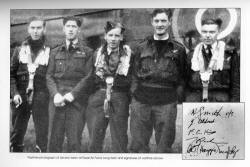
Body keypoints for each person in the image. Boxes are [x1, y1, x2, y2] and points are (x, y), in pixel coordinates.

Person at [129, 9, 187, 153]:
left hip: (167, 102)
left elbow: (183, 76)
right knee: (138, 145)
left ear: (169, 22)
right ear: (152, 22)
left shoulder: (178, 49)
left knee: (164, 147)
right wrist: (135, 93)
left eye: (163, 21)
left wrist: (175, 97)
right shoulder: (141, 47)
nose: (160, 24)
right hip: (141, 100)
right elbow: (134, 73)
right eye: (156, 21)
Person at [46, 16, 93, 152]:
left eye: (74, 27)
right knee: (54, 140)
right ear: (63, 29)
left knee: (74, 141)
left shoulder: (87, 52)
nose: (71, 29)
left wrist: (73, 94)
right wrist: (55, 95)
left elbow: (88, 77)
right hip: (57, 100)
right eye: (68, 26)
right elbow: (49, 76)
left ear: (78, 29)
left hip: (76, 101)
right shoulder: (55, 52)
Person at [86, 21, 132, 153]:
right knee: (95, 136)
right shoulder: (97, 54)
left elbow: (132, 77)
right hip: (99, 95)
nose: (113, 39)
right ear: (105, 36)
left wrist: (127, 97)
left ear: (121, 37)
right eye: (110, 35)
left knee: (119, 138)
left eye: (117, 36)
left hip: (119, 95)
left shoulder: (128, 54)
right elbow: (90, 76)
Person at [10, 16, 50, 152]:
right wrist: (14, 93)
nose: (35, 31)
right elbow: (10, 75)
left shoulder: (50, 51)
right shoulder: (18, 50)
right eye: (33, 28)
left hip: (41, 93)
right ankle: (16, 153)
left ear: (44, 29)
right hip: (21, 93)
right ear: (28, 29)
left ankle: (41, 154)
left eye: (39, 28)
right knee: (17, 130)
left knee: (43, 130)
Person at [185, 18, 240, 102]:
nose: (207, 35)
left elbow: (236, 84)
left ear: (218, 32)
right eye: (204, 32)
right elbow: (185, 82)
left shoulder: (229, 54)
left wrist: (233, 105)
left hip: (220, 100)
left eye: (212, 32)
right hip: (196, 100)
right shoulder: (192, 55)